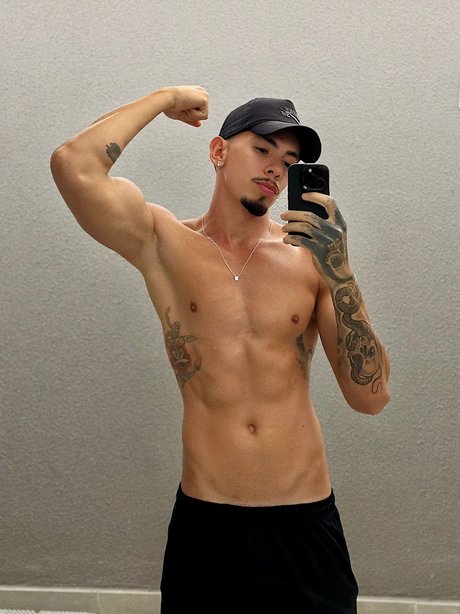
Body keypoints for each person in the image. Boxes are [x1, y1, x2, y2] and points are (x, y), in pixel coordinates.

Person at [50, 85, 390, 613]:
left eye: (289, 162)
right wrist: (165, 98)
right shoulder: (164, 243)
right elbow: (73, 164)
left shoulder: (311, 261)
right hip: (208, 527)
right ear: (218, 151)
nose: (276, 169)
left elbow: (370, 397)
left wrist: (341, 271)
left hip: (303, 523)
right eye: (262, 149)